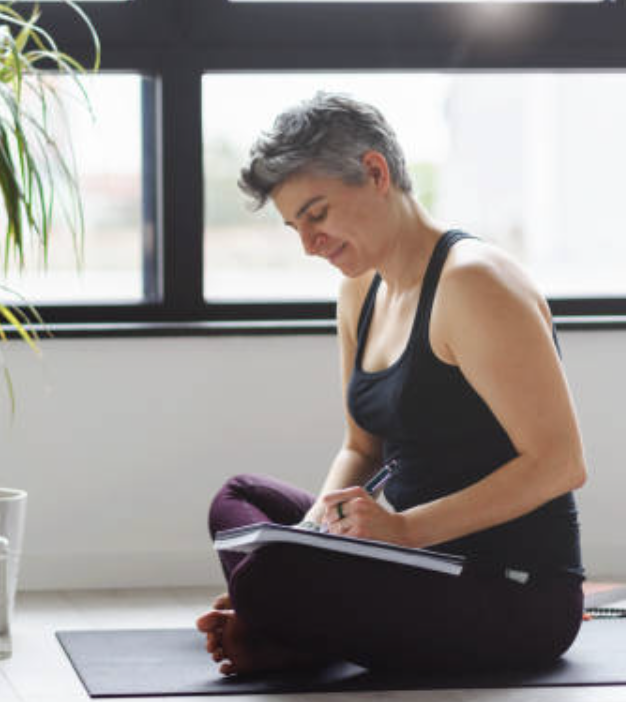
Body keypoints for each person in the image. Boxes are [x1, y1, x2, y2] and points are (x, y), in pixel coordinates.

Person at [196, 92, 586, 676]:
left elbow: (561, 464)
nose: (308, 244)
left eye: (317, 213)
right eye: (294, 226)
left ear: (375, 172)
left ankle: (281, 625)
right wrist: (309, 539)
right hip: (407, 559)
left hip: (513, 590)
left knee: (272, 577)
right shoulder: (361, 287)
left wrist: (406, 530)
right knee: (240, 500)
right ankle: (283, 621)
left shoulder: (475, 285)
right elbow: (361, 446)